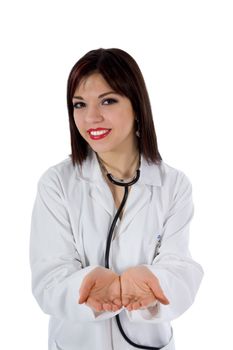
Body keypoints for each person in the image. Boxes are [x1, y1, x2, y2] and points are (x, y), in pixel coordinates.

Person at [30, 48, 204, 350]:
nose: (91, 117)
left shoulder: (173, 185)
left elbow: (179, 267)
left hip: (148, 343)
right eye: (79, 104)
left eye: (108, 101)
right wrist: (85, 287)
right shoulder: (57, 184)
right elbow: (49, 278)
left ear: (136, 105)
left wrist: (152, 281)